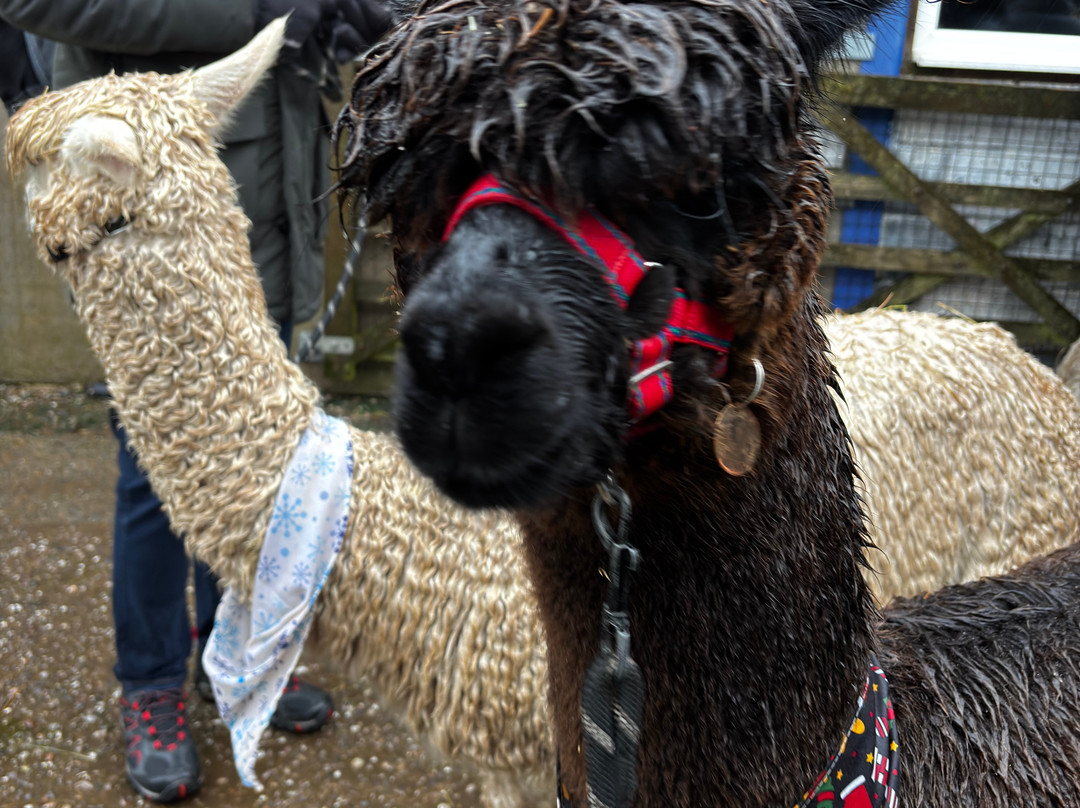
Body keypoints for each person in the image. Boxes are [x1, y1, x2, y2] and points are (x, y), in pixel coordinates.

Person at [0, 0, 390, 802]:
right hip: (143, 203)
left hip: (268, 181)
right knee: (156, 468)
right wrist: (254, 13)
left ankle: (233, 659)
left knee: (250, 456)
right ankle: (150, 688)